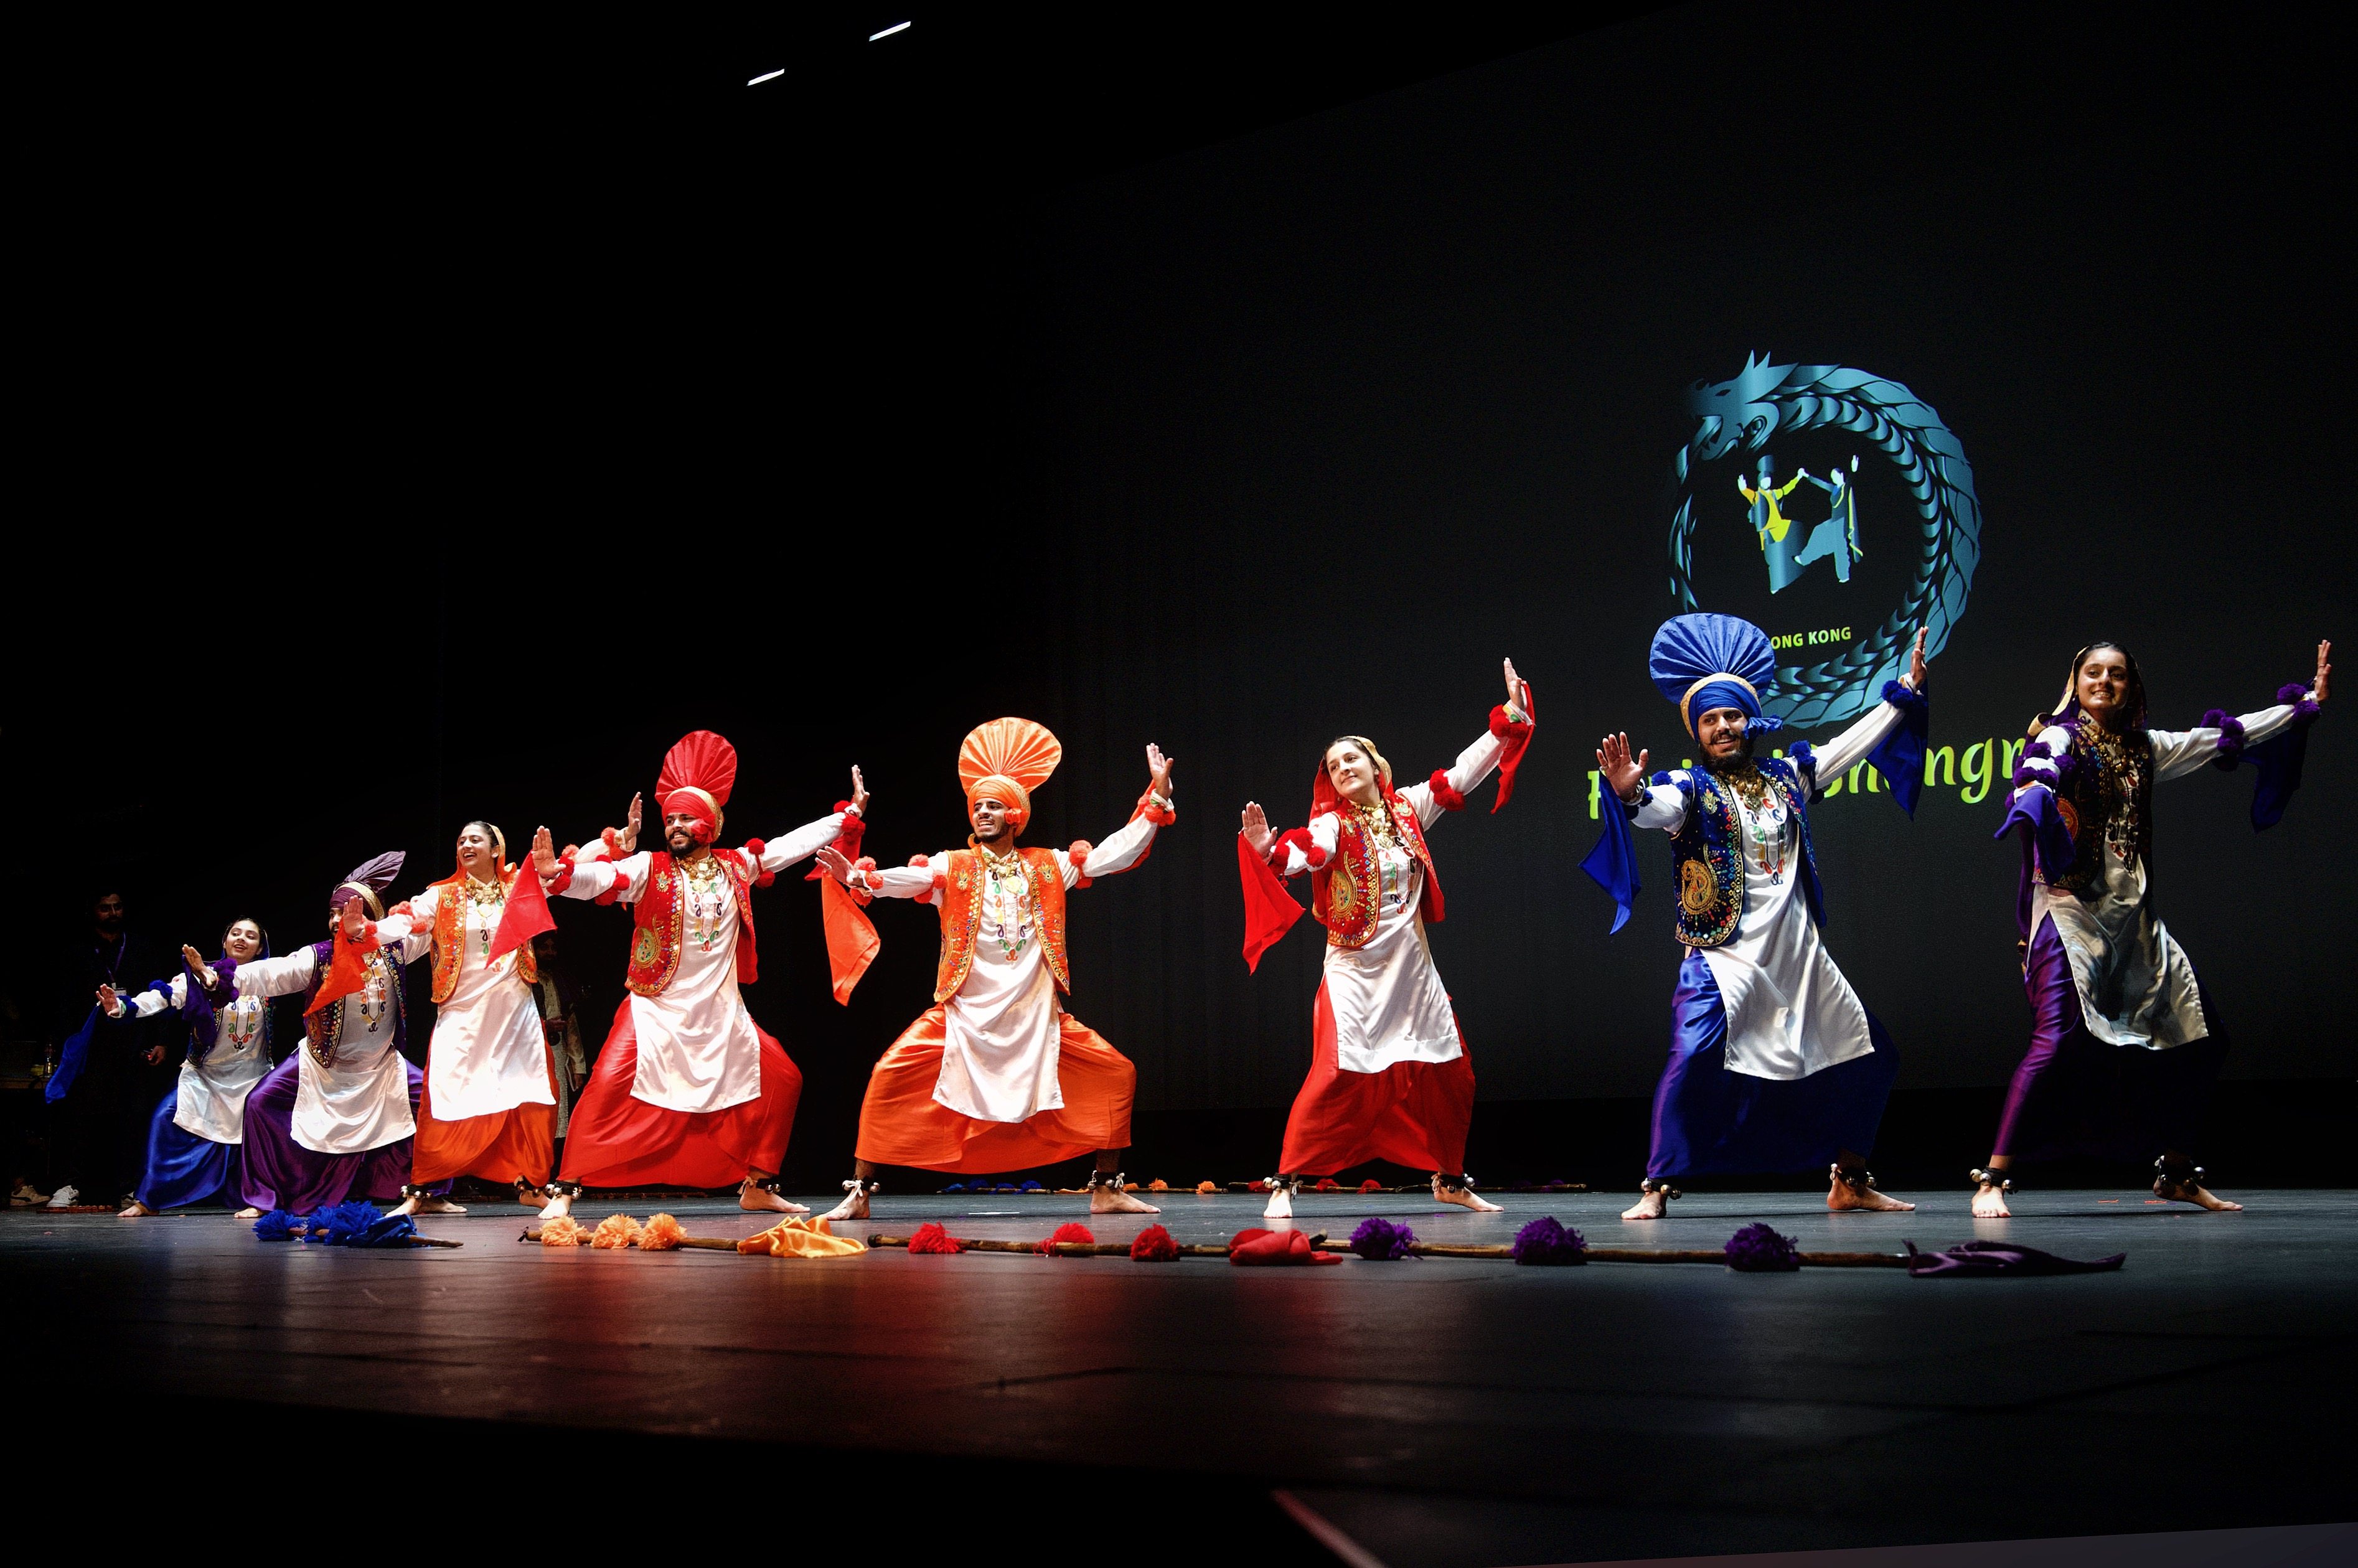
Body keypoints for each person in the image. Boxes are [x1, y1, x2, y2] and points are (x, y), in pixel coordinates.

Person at [1975, 639, 2330, 1216]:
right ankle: (1992, 1178)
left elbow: (2225, 736)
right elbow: (2040, 764)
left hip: (2134, 922)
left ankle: (2176, 1170)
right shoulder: (2063, 737)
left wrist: (2303, 704)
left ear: (2130, 687)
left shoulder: (2145, 748)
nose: (2104, 682)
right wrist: (2034, 791)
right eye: (2093, 672)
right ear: (2076, 681)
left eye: (2116, 674)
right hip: (2071, 913)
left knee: (2204, 1038)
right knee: (2057, 1039)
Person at [1588, 616, 1927, 1220]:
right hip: (1721, 955)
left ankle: (1849, 1178)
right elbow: (1653, 808)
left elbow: (1849, 745)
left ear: (1750, 719)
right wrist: (1630, 794)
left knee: (1872, 1054)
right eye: (1710, 719)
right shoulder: (1686, 788)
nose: (1722, 727)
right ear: (1697, 730)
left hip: (1796, 952)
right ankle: (1656, 1185)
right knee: (1692, 1057)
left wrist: (1900, 693)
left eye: (1731, 715)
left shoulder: (1786, 775)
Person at [814, 720, 1173, 1223]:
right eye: (977, 804)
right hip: (962, 1017)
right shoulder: (953, 865)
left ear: (1015, 814)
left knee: (1115, 1073)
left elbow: (1114, 855)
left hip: (1036, 1018)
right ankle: (860, 1190)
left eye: (992, 805)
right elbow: (909, 878)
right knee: (887, 1077)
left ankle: (1106, 1187)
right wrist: (860, 878)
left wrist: (1154, 803)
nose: (982, 811)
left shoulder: (1049, 864)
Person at [1237, 660, 1536, 1220]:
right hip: (1355, 971)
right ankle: (1287, 1179)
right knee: (1333, 1073)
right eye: (1333, 764)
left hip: (1414, 968)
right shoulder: (1334, 823)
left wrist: (1511, 715)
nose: (1344, 766)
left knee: (1453, 1071)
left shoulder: (1408, 808)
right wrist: (1272, 853)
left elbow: (1464, 772)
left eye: (1352, 757)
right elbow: (1309, 850)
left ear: (1377, 765)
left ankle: (1449, 1179)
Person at [530, 731, 864, 1221]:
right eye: (670, 819)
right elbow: (602, 879)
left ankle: (757, 1183)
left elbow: (791, 846)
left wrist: (846, 816)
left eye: (686, 817)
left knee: (784, 1079)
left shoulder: (738, 866)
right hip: (654, 1009)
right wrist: (558, 875)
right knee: (605, 1086)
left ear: (711, 822)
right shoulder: (649, 867)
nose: (676, 826)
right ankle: (565, 1188)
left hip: (722, 1014)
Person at [235, 854, 446, 1214]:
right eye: (333, 913)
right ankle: (264, 1197)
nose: (337, 921)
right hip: (321, 1067)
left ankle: (427, 1192)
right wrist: (220, 977)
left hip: (382, 1068)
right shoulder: (318, 957)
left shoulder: (396, 948)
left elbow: (437, 924)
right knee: (259, 1103)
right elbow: (273, 973)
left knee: (435, 1101)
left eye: (347, 913)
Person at [373, 822, 562, 1216]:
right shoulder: (440, 896)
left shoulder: (519, 886)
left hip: (514, 1011)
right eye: (460, 841)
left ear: (497, 849)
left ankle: (532, 1184)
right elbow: (406, 924)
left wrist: (617, 842)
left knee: (533, 1096)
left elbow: (566, 873)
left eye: (475, 839)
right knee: (443, 1097)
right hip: (461, 1012)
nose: (465, 845)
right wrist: (370, 932)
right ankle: (421, 1191)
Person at [100, 918, 275, 1218]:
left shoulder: (272, 978)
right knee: (164, 1119)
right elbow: (164, 997)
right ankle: (149, 1200)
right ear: (224, 941)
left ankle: (258, 1200)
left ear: (261, 948)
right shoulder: (197, 975)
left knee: (268, 1131)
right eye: (235, 933)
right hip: (204, 1077)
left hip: (253, 1078)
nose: (242, 939)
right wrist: (124, 1007)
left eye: (251, 936)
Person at [43, 890, 167, 1210]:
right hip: (90, 1046)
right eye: (104, 908)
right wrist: (64, 1047)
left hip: (133, 1043)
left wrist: (160, 1040)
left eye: (117, 906)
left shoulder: (140, 947)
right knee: (80, 1117)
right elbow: (64, 1004)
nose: (112, 913)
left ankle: (130, 1188)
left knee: (134, 1117)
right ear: (92, 912)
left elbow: (160, 996)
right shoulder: (78, 952)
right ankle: (69, 1185)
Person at [1739, 456, 1807, 594]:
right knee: (1771, 557)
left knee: (1794, 532)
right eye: (1764, 480)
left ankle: (1800, 561)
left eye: (1769, 480)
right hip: (1767, 531)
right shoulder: (1758, 496)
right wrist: (1743, 489)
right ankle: (1775, 584)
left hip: (1779, 526)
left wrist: (1798, 478)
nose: (1767, 482)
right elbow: (1749, 495)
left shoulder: (1774, 494)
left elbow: (1787, 489)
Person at [1793, 459, 1861, 583]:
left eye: (1835, 476)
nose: (1834, 478)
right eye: (1832, 477)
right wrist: (1807, 476)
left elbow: (1851, 480)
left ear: (1841, 475)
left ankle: (1844, 576)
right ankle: (1805, 558)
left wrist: (1853, 471)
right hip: (1834, 521)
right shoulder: (1834, 489)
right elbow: (1822, 484)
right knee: (1819, 530)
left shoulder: (1845, 488)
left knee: (1840, 547)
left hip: (1842, 523)